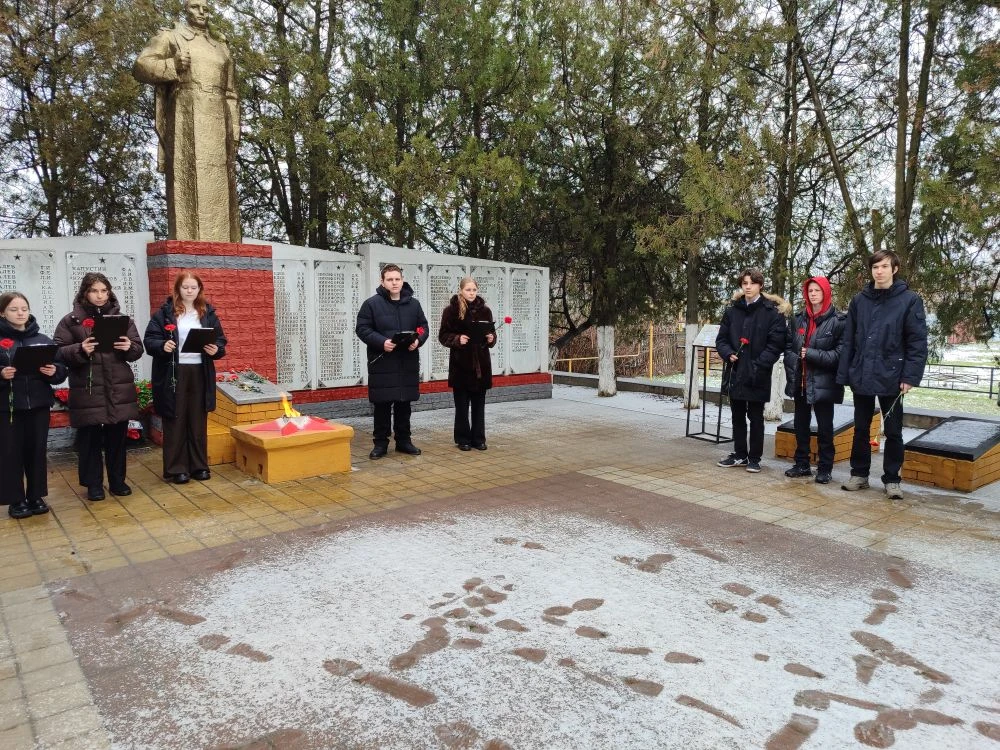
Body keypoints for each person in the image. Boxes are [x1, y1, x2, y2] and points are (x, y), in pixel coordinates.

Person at [133, 0, 240, 242]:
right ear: (186, 9)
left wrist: (234, 129)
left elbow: (231, 92)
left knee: (223, 183)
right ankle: (188, 241)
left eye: (205, 8)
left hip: (219, 116)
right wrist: (172, 64)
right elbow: (141, 66)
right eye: (195, 7)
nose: (201, 12)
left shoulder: (221, 47)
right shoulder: (171, 37)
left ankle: (225, 243)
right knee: (188, 178)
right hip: (186, 112)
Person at [837, 250, 927, 499]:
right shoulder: (859, 300)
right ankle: (859, 475)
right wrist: (845, 374)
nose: (879, 271)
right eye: (875, 267)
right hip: (862, 374)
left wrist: (910, 376)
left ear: (894, 269)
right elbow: (849, 339)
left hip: (893, 376)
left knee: (894, 431)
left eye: (884, 266)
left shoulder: (909, 300)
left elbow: (917, 342)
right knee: (861, 428)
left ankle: (892, 479)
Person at [54, 273, 144, 501]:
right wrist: (80, 349)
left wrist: (129, 346)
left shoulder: (122, 320)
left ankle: (117, 481)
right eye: (94, 291)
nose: (100, 295)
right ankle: (93, 484)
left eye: (104, 290)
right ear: (85, 293)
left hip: (117, 386)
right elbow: (58, 352)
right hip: (88, 388)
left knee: (117, 437)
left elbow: (137, 349)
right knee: (89, 439)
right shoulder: (71, 321)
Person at [144, 271, 227, 484]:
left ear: (199, 289)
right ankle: (177, 468)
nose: (189, 291)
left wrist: (215, 349)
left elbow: (220, 340)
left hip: (200, 371)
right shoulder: (164, 313)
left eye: (193, 287)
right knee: (175, 418)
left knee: (198, 419)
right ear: (178, 289)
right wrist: (163, 345)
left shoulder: (207, 312)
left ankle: (199, 466)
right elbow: (150, 340)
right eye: (185, 287)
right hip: (174, 371)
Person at [715, 268, 790, 473]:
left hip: (758, 372)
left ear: (760, 285)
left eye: (752, 283)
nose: (748, 287)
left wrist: (758, 365)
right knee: (737, 415)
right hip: (736, 370)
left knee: (756, 417)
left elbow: (776, 344)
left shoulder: (772, 312)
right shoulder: (733, 310)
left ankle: (755, 458)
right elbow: (721, 339)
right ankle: (740, 454)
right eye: (745, 283)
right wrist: (728, 353)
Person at [0, 292, 67, 519]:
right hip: (8, 408)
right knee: (11, 453)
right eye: (13, 309)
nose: (20, 313)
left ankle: (36, 496)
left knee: (37, 451)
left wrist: (54, 371)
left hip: (39, 405)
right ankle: (15, 500)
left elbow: (61, 369)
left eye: (24, 309)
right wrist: (2, 374)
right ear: (2, 313)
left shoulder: (42, 339)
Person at [356, 264, 429, 459]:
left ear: (402, 280)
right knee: (382, 405)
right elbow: (362, 328)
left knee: (404, 404)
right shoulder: (371, 304)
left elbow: (423, 327)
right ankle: (380, 444)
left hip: (407, 363)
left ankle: (404, 441)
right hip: (383, 363)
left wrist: (418, 341)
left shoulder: (414, 304)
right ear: (382, 282)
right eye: (390, 279)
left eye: (397, 279)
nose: (394, 283)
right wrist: (382, 342)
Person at [782, 276, 845, 484]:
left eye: (817, 290)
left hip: (824, 383)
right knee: (801, 425)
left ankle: (825, 468)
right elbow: (789, 346)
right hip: (801, 381)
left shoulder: (838, 321)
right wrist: (793, 361)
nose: (813, 294)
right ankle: (802, 464)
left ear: (826, 293)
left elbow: (839, 355)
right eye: (810, 291)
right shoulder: (798, 318)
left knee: (825, 427)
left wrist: (810, 354)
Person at [438, 277, 497, 451]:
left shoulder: (485, 311)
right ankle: (462, 439)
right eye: (468, 290)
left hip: (481, 365)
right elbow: (443, 335)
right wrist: (457, 339)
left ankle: (478, 438)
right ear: (461, 290)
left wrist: (491, 338)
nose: (471, 293)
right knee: (462, 407)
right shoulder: (451, 310)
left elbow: (492, 333)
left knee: (479, 406)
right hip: (461, 365)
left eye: (474, 290)